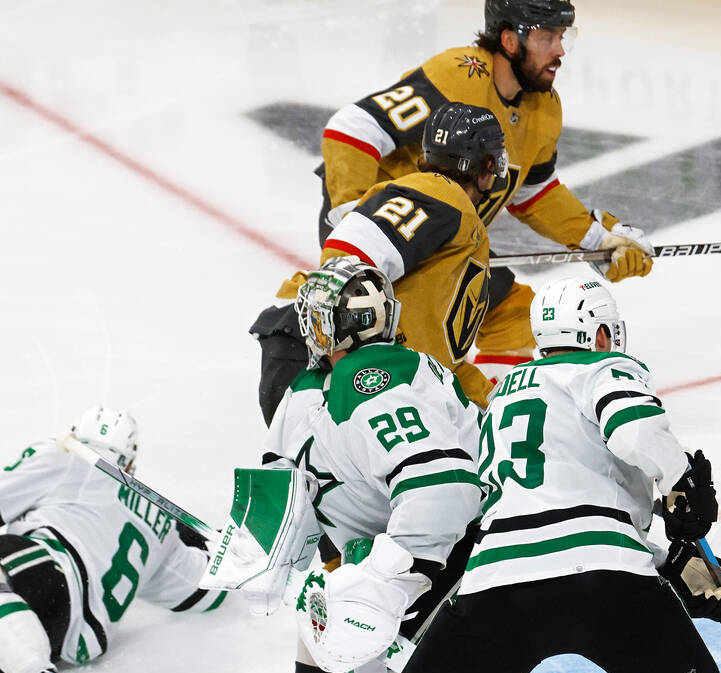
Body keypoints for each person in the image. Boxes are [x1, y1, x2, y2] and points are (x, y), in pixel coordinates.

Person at [369, 277, 721, 673]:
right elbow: (635, 433)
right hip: (606, 581)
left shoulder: (501, 397)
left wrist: (667, 562)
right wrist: (681, 480)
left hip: (498, 585)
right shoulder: (604, 368)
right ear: (599, 333)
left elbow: (535, 501)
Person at [250, 0, 656, 425]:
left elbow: (533, 192)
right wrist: (354, 211)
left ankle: (495, 425)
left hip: (452, 239)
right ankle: (353, 417)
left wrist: (596, 239)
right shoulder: (459, 75)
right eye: (546, 36)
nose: (559, 50)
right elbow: (352, 128)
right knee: (402, 338)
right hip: (395, 232)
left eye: (562, 36)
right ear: (509, 39)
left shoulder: (543, 108)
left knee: (511, 312)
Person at [264, 259, 522, 673]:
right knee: (334, 596)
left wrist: (396, 579)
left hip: (443, 556)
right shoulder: (309, 389)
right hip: (399, 553)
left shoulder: (374, 380)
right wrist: (258, 545)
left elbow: (441, 489)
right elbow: (283, 493)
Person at [0, 407, 225, 673]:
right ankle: (32, 669)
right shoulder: (161, 525)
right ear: (131, 462)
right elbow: (203, 593)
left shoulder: (67, 457)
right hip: (65, 638)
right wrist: (218, 543)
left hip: (51, 577)